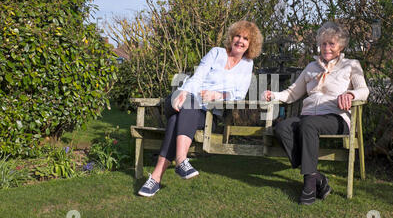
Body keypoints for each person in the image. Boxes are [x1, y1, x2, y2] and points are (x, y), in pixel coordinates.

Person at [138, 20, 263, 197]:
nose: (240, 41)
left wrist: (218, 95)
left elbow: (239, 94)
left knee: (175, 122)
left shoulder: (247, 64)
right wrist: (185, 91)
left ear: (251, 44)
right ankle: (181, 161)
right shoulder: (217, 53)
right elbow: (198, 76)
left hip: (207, 115)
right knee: (188, 103)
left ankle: (156, 178)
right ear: (231, 37)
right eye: (237, 36)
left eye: (245, 38)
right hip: (181, 100)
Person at [262, 21, 369, 205]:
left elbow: (364, 91)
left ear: (340, 45)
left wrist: (351, 94)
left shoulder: (351, 65)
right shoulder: (311, 67)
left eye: (331, 44)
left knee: (308, 124)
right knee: (282, 128)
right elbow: (292, 93)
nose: (326, 47)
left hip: (336, 117)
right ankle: (318, 177)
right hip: (309, 117)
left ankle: (309, 185)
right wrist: (274, 95)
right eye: (323, 44)